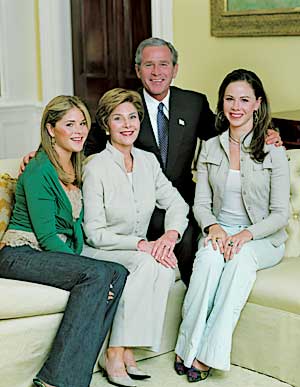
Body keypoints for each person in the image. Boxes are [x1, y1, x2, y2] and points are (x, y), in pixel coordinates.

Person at [84, 37, 282, 286]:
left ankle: (190, 299)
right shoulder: (126, 108)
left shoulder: (193, 103)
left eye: (164, 64)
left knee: (189, 237)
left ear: (175, 69)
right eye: (148, 65)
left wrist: (267, 132)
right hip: (139, 207)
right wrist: (40, 155)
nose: (157, 72)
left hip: (182, 201)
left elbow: (226, 131)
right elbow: (84, 141)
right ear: (137, 70)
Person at [0, 95, 128, 387]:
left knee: (117, 272)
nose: (78, 130)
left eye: (82, 123)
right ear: (50, 128)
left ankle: (66, 375)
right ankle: (59, 381)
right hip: (19, 252)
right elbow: (46, 236)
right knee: (96, 274)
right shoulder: (39, 169)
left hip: (44, 254)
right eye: (69, 124)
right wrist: (85, 268)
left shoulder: (77, 164)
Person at [174, 69, 290, 383]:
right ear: (221, 103)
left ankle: (206, 355)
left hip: (261, 237)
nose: (235, 106)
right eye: (229, 99)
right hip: (220, 230)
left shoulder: (273, 149)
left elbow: (281, 214)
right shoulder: (211, 146)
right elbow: (200, 204)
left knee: (238, 262)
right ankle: (186, 346)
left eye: (244, 99)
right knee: (209, 261)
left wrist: (245, 235)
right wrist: (213, 228)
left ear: (257, 104)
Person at [81, 88, 189, 387]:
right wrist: (142, 245)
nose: (127, 124)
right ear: (106, 125)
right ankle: (115, 352)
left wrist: (169, 235)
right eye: (118, 118)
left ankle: (129, 349)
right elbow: (94, 233)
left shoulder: (148, 161)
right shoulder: (95, 167)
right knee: (146, 263)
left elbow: (178, 204)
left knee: (165, 265)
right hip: (100, 250)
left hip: (136, 250)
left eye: (132, 117)